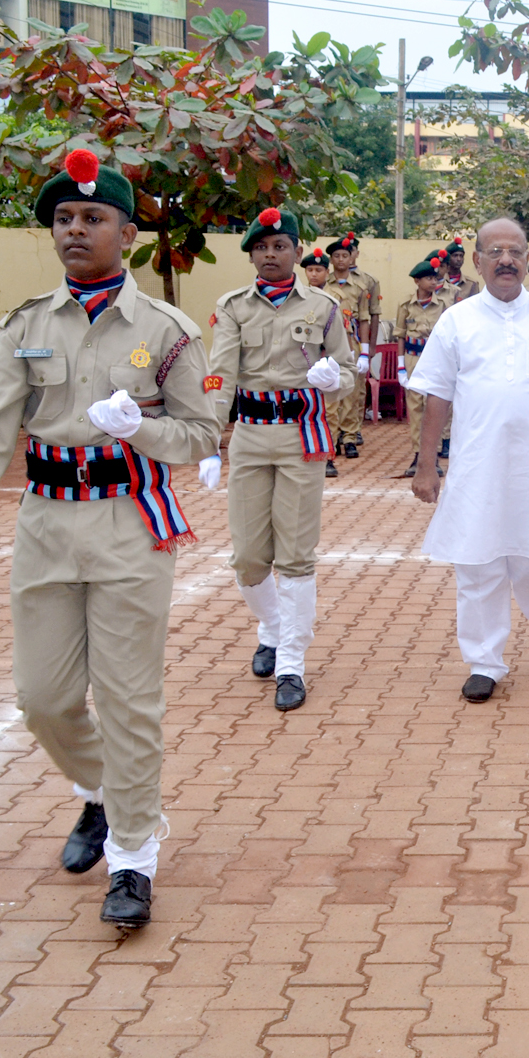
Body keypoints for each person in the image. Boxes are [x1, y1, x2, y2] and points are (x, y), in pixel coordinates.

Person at [0, 151, 220, 928]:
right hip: (45, 524)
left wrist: (142, 427)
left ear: (126, 230)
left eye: (92, 218)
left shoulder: (167, 330)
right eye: (63, 219)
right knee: (44, 699)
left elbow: (200, 434)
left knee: (127, 699)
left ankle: (133, 857)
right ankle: (99, 791)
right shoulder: (25, 325)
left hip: (130, 523)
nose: (75, 230)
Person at [405, 216, 529, 703]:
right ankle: (485, 662)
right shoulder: (456, 320)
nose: (506, 260)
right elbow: (436, 394)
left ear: (527, 259)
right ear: (476, 261)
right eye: (495, 251)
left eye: (515, 251)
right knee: (478, 563)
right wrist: (427, 464)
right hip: (477, 469)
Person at [202, 208, 352, 714]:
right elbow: (220, 374)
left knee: (294, 555)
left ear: (296, 250)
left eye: (280, 246)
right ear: (251, 253)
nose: (271, 254)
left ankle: (291, 661)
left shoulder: (324, 308)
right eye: (261, 247)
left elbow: (348, 368)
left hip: (300, 436)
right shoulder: (232, 307)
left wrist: (337, 381)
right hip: (248, 434)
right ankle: (270, 625)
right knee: (247, 556)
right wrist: (209, 441)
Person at [394, 255, 453, 478]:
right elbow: (399, 335)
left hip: (436, 359)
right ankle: (418, 454)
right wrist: (400, 366)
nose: (433, 282)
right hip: (412, 358)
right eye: (428, 278)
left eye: (435, 278)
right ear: (417, 282)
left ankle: (434, 454)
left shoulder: (444, 305)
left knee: (435, 407)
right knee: (416, 408)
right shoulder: (405, 305)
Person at [324, 232, 379, 455]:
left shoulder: (360, 286)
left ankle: (349, 436)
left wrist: (365, 351)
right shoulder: (323, 284)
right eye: (336, 256)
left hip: (351, 341)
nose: (340, 260)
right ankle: (333, 435)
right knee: (330, 389)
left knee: (352, 390)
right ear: (331, 259)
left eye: (344, 255)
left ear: (352, 258)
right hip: (329, 343)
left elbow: (365, 318)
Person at [300, 250, 344, 479]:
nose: (314, 274)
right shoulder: (300, 297)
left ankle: (329, 455)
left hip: (328, 359)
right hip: (305, 362)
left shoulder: (335, 296)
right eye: (309, 270)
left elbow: (338, 333)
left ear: (327, 272)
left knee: (330, 410)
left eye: (318, 270)